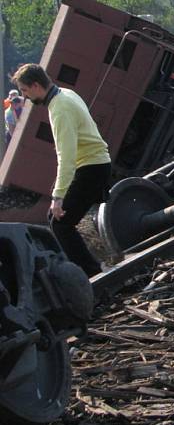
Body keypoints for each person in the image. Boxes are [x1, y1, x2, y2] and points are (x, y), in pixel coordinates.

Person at [12, 63, 111, 277]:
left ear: (36, 85)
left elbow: (66, 156)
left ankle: (93, 275)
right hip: (94, 165)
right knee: (55, 219)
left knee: (60, 224)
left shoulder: (59, 108)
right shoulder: (66, 93)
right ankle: (91, 271)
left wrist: (58, 196)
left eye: (25, 91)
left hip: (91, 167)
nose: (25, 97)